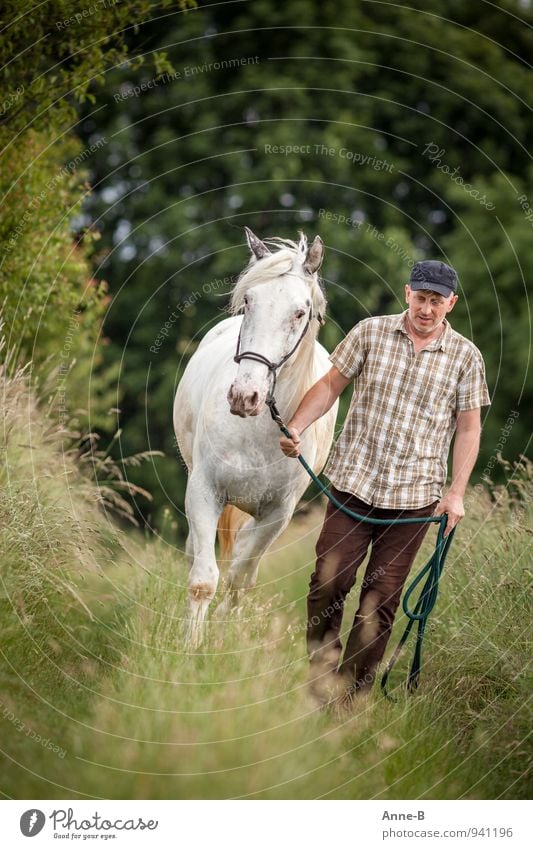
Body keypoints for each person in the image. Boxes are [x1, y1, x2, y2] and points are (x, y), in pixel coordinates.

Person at [279, 260, 490, 703]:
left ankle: (349, 699)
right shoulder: (370, 331)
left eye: (436, 301)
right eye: (420, 298)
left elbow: (469, 428)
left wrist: (455, 495)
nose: (426, 309)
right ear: (406, 292)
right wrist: (297, 425)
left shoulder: (467, 357)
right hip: (354, 484)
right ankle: (321, 677)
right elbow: (331, 385)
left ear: (451, 304)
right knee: (327, 584)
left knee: (381, 601)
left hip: (414, 499)